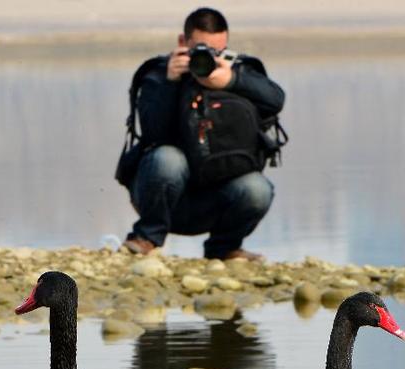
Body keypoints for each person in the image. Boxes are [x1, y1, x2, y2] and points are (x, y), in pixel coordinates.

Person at [121, 7, 285, 260]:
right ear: (182, 42)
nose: (208, 58)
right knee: (167, 157)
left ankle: (224, 248)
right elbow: (152, 132)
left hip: (218, 198)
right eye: (201, 50)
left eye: (217, 51)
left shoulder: (237, 71)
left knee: (258, 188)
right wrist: (170, 82)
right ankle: (146, 238)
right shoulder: (159, 74)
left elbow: (276, 98)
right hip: (164, 198)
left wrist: (232, 81)